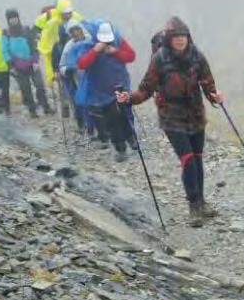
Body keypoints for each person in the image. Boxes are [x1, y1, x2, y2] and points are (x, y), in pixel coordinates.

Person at [116, 16, 223, 227]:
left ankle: (201, 202)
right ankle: (194, 206)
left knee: (198, 160)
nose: (180, 40)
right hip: (171, 117)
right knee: (188, 160)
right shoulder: (159, 59)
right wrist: (129, 98)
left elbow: (208, 83)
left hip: (195, 115)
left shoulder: (197, 56)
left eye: (183, 35)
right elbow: (146, 89)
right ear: (169, 39)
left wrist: (215, 96)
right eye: (176, 36)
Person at [75, 21, 136, 162]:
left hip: (120, 85)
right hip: (101, 91)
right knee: (112, 119)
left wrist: (116, 52)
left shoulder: (119, 42)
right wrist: (95, 51)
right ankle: (121, 148)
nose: (106, 42)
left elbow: (131, 56)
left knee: (125, 114)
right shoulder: (90, 46)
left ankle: (131, 137)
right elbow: (82, 64)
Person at [2, 8, 51, 118]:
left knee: (39, 85)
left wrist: (35, 60)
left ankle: (45, 106)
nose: (13, 21)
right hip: (17, 66)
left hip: (31, 63)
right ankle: (32, 110)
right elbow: (4, 51)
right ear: (8, 20)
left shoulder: (26, 29)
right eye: (11, 19)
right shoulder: (6, 33)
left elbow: (34, 45)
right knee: (26, 89)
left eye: (15, 18)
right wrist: (11, 66)